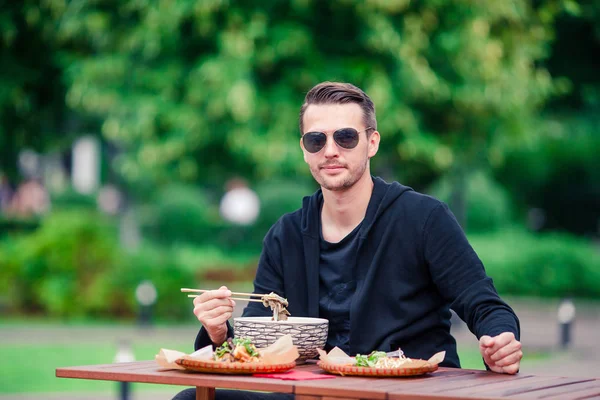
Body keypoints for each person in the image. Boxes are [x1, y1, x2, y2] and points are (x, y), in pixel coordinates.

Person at [173, 82, 521, 400]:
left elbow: (485, 305)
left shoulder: (424, 218)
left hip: (405, 392)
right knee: (192, 399)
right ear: (304, 150)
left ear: (372, 142)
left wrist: (500, 340)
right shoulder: (287, 235)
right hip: (309, 393)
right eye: (316, 140)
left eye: (345, 137)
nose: (330, 151)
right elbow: (254, 344)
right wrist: (219, 333)